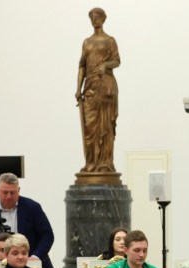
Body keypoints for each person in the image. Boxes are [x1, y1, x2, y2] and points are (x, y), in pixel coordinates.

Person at [0, 173, 55, 268]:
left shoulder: (33, 208)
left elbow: (47, 235)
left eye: (12, 192)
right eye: (5, 192)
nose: (9, 196)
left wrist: (36, 257)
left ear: (19, 190)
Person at [75, 7, 120, 175]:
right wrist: (78, 88)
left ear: (103, 19)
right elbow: (82, 66)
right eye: (92, 17)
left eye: (97, 17)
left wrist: (105, 65)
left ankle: (105, 163)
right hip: (89, 88)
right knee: (89, 128)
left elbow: (117, 61)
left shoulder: (110, 41)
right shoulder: (86, 42)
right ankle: (91, 163)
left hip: (106, 87)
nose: (94, 20)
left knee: (105, 126)